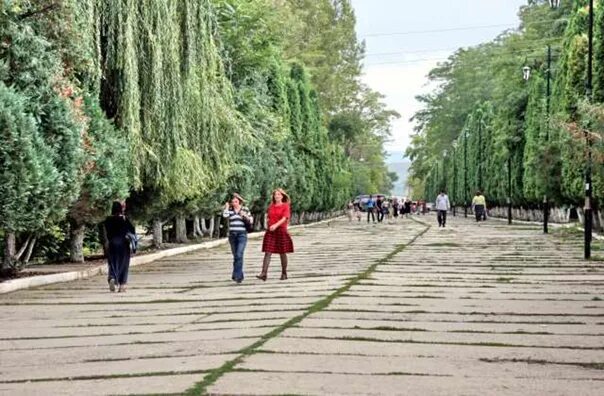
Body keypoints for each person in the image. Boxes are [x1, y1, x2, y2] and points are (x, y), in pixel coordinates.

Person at [257, 188, 294, 281]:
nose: (276, 196)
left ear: (282, 196)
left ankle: (284, 273)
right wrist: (268, 224)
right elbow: (268, 217)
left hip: (281, 230)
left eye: (278, 194)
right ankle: (264, 273)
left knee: (282, 252)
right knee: (267, 252)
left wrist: (276, 225)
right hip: (271, 231)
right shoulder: (271, 206)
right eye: (275, 194)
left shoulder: (285, 206)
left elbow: (285, 218)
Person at [103, 201, 135, 293]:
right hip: (123, 244)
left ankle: (112, 278)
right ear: (121, 209)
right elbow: (132, 231)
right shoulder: (124, 219)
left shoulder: (107, 220)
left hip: (112, 243)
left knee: (112, 263)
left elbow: (106, 233)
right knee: (124, 264)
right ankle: (122, 285)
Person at [223, 193, 253, 283]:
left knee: (239, 254)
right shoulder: (230, 210)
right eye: (233, 202)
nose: (234, 203)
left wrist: (244, 215)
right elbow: (225, 216)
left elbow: (251, 220)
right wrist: (226, 207)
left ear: (239, 202)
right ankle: (238, 275)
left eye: (236, 201)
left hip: (242, 235)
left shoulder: (245, 209)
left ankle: (237, 275)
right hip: (232, 235)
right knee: (236, 256)